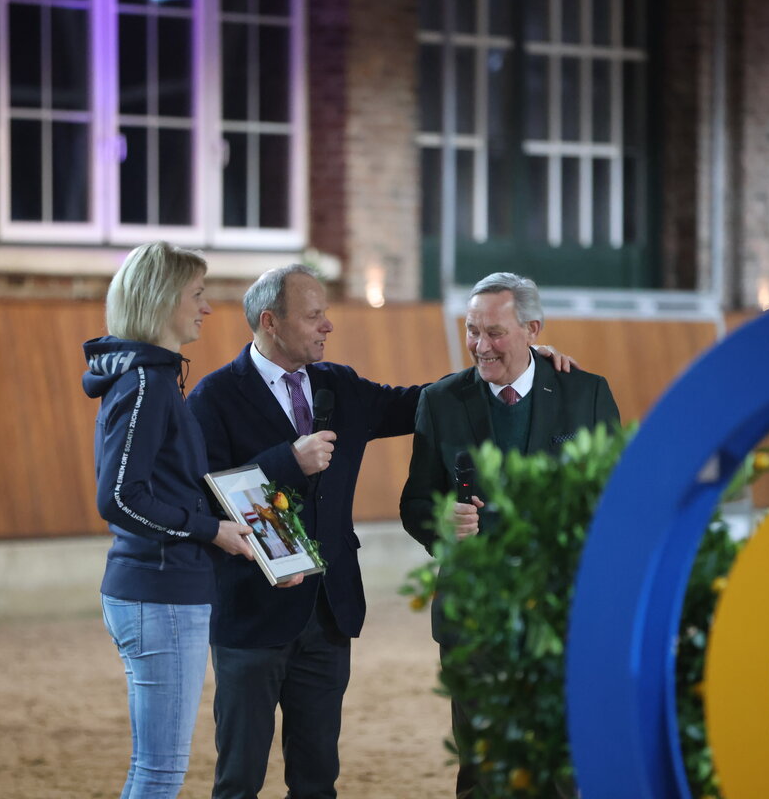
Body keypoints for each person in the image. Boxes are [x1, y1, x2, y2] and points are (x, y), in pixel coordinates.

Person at [187, 264, 576, 799]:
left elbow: (424, 402)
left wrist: (520, 367)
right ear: (271, 322)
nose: (328, 325)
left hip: (329, 614)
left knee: (317, 779)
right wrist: (287, 461)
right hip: (252, 615)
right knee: (239, 778)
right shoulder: (213, 397)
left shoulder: (338, 384)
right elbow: (202, 495)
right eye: (314, 316)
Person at [398, 271, 620, 798]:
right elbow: (414, 502)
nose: (480, 345)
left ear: (532, 330)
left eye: (495, 333)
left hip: (562, 615)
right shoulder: (440, 400)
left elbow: (614, 500)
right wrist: (441, 523)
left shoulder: (586, 394)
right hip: (474, 617)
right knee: (482, 769)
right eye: (472, 330)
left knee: (563, 764)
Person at [82, 241, 254, 799]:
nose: (207, 307)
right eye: (197, 294)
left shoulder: (150, 379)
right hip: (161, 593)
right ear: (161, 299)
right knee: (159, 772)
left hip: (158, 590)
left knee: (153, 767)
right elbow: (119, 498)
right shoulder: (147, 385)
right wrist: (210, 530)